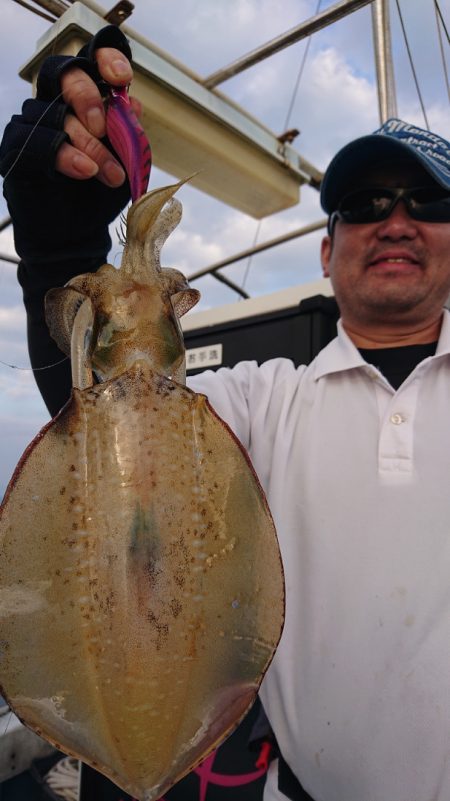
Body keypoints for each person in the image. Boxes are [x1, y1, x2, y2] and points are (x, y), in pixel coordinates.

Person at [2, 25, 450, 801]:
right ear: (326, 251)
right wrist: (61, 257)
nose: (396, 220)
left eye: (431, 201)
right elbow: (107, 415)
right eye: (364, 204)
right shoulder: (262, 401)